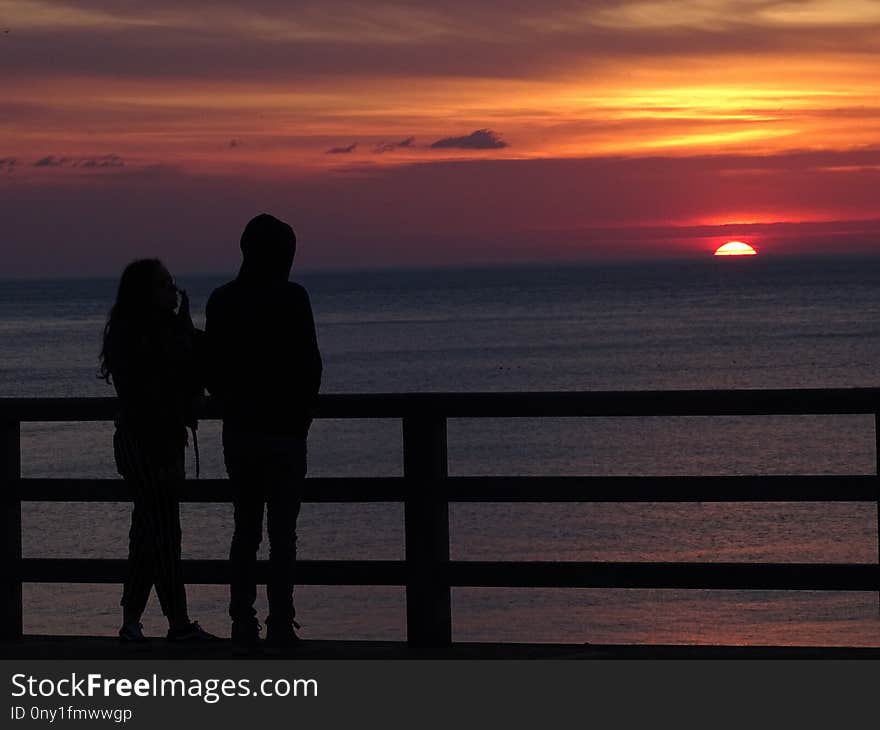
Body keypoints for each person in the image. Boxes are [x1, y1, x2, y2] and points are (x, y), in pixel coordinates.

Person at [205, 214, 322, 651]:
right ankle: (280, 621)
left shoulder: (222, 300)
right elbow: (311, 366)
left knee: (245, 531)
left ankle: (241, 621)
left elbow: (213, 373)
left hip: (240, 433)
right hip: (287, 433)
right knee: (283, 536)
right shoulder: (293, 299)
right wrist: (302, 416)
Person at [100, 258, 216, 644]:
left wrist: (183, 325)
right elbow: (167, 379)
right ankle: (177, 622)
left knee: (149, 532)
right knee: (163, 530)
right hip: (146, 442)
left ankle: (132, 621)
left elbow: (198, 363)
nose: (174, 290)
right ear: (146, 292)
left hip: (159, 440)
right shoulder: (137, 336)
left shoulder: (152, 330)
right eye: (165, 284)